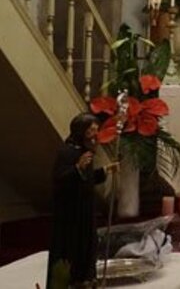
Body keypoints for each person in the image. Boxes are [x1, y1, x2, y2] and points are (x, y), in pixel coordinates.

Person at [47, 113, 118, 288]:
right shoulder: (67, 152)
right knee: (73, 248)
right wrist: (77, 168)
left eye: (96, 129)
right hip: (71, 214)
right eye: (91, 130)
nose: (95, 134)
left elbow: (87, 179)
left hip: (85, 210)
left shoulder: (84, 151)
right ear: (81, 130)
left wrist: (105, 170)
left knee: (87, 246)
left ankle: (87, 280)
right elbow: (59, 179)